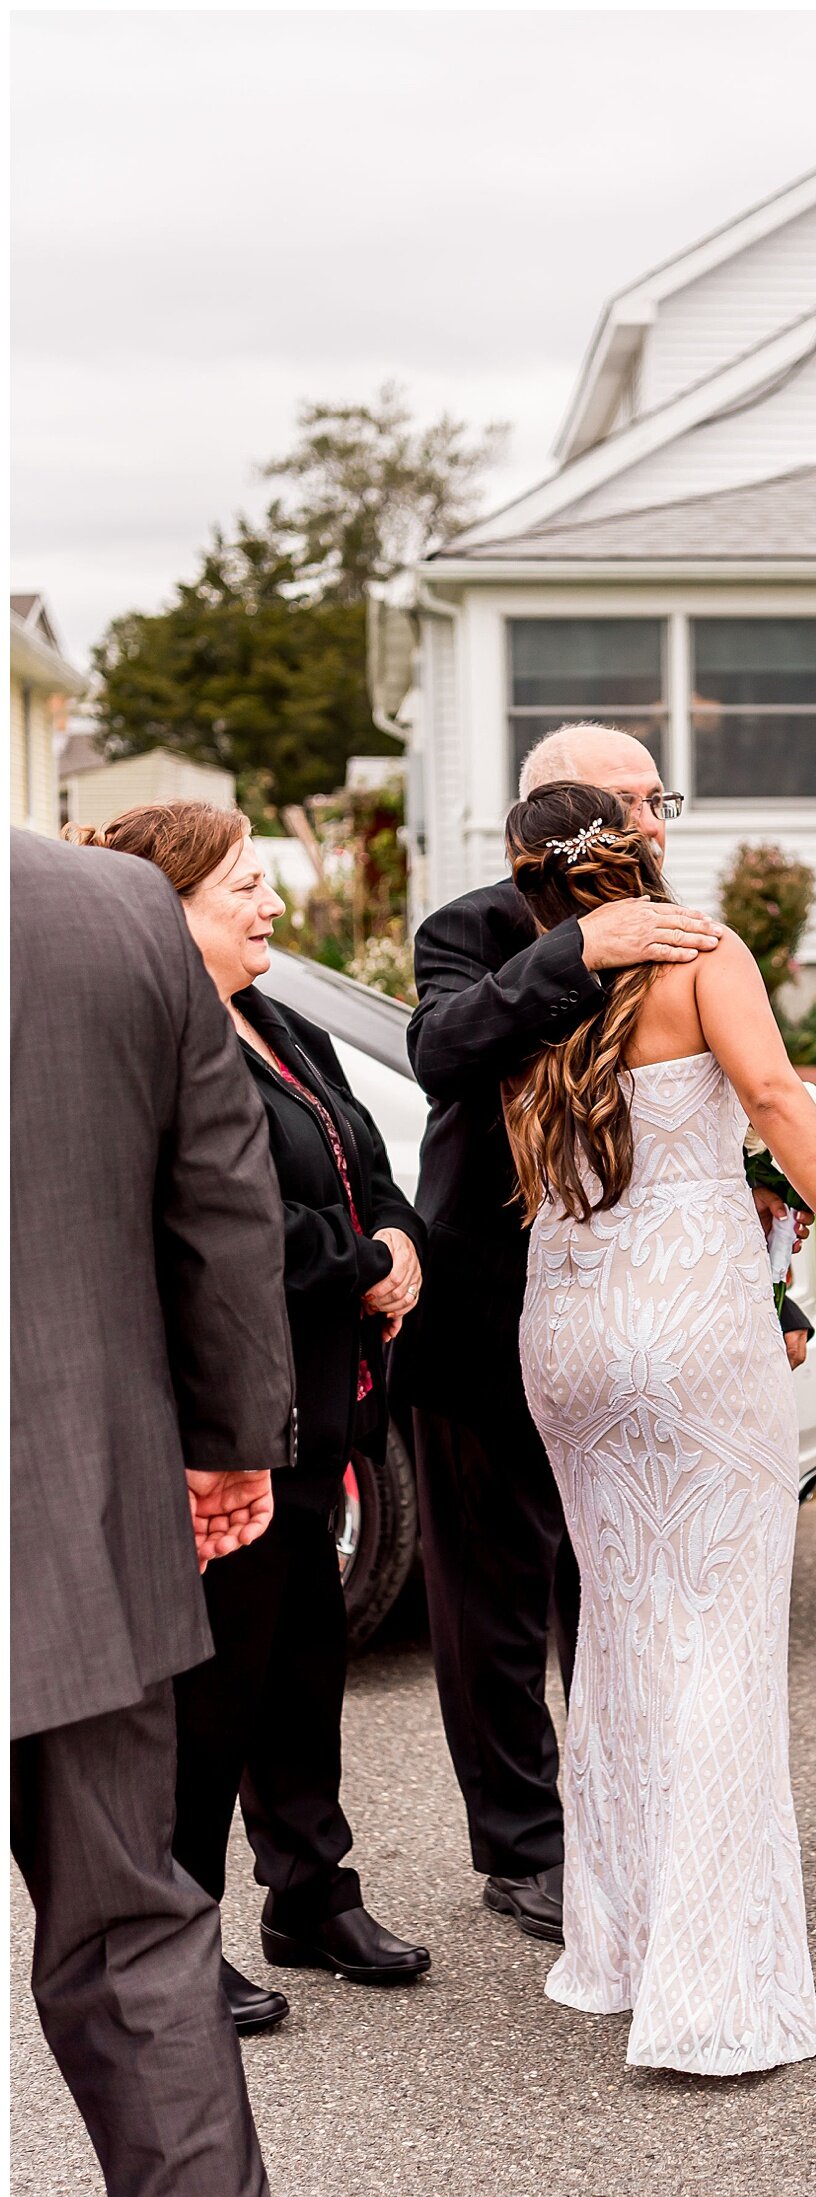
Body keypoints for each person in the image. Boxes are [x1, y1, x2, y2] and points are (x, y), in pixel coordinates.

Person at [501, 780, 816, 2072]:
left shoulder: (533, 989)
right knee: (723, 1633)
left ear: (535, 876)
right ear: (640, 850)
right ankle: (713, 1985)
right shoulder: (704, 954)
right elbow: (776, 1098)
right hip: (689, 1328)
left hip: (566, 1336)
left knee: (619, 1630)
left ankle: (618, 1948)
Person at [401, 723, 813, 1946]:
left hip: (657, 1314)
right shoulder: (467, 930)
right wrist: (580, 946)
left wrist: (767, 1292)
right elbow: (439, 1053)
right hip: (489, 1306)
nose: (651, 826)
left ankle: (638, 1833)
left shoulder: (692, 933)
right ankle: (523, 1847)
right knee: (492, 1593)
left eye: (657, 800)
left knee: (627, 1587)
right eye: (625, 805)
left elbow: (730, 1126)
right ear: (550, 816)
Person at [65, 804, 431, 2034]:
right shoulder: (156, 1042)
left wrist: (395, 1234)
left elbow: (363, 1156)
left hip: (321, 1403)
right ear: (165, 913)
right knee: (210, 1685)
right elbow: (214, 1222)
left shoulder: (274, 1022)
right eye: (244, 888)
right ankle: (175, 1934)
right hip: (221, 1411)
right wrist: (356, 1260)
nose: (271, 905)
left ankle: (310, 1890)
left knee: (302, 1660)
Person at [11, 828, 295, 2197]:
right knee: (134, 1935)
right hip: (74, 1511)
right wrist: (231, 1442)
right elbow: (221, 1197)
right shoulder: (110, 905)